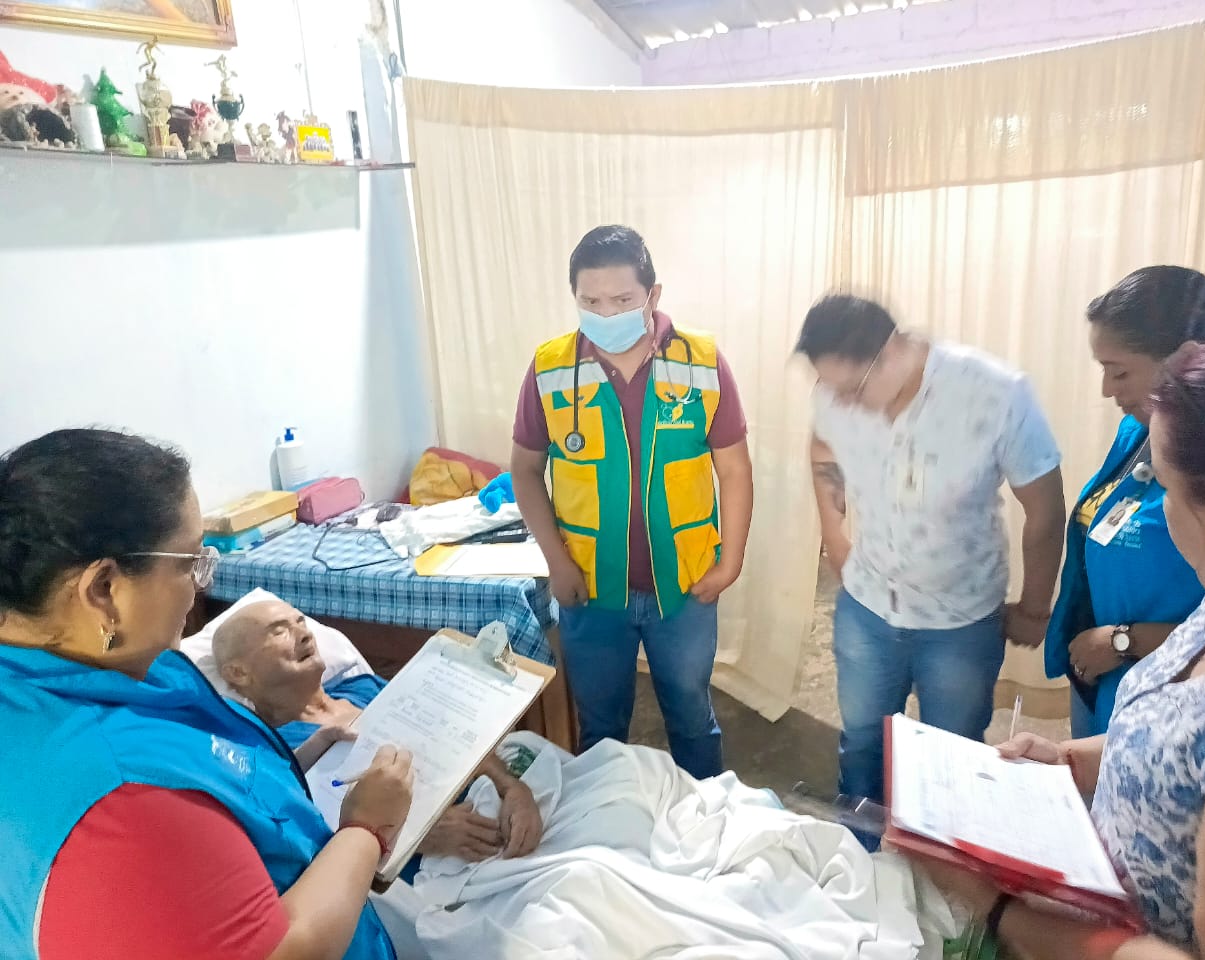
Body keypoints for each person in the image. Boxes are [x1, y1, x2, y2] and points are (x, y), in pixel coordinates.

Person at [910, 316, 1205, 960]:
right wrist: (1072, 761)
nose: (1160, 509)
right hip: (1095, 893)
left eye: (1166, 489)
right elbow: (1183, 738)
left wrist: (1000, 912)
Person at [0, 429, 413, 960]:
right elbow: (282, 950)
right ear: (104, 590)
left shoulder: (102, 670)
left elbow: (209, 776)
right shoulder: (124, 796)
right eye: (189, 563)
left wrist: (299, 758)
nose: (201, 586)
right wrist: (365, 829)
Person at [799, 294, 1065, 809]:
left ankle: (940, 857)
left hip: (959, 621)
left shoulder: (995, 393)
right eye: (831, 390)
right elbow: (822, 445)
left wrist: (1035, 608)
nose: (841, 403)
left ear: (890, 352)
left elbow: (1045, 508)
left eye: (852, 390)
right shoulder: (836, 393)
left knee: (953, 758)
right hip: (867, 606)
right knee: (863, 744)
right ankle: (862, 850)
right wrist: (834, 533)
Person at [510, 225, 753, 780]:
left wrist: (730, 561)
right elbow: (524, 470)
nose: (606, 313)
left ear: (652, 295)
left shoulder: (700, 361)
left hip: (686, 583)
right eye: (590, 301)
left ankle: (708, 816)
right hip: (591, 585)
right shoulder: (550, 368)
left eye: (622, 300)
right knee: (600, 725)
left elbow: (734, 469)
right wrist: (556, 562)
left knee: (691, 716)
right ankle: (604, 822)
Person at [1045, 266, 1205, 737]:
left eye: (1119, 371)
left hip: (1168, 686)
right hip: (1103, 671)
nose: (1106, 389)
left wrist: (1124, 641)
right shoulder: (1137, 432)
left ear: (1184, 360)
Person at [213, 599, 543, 862]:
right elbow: (309, 839)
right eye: (279, 631)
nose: (304, 634)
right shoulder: (275, 754)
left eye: (301, 622)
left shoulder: (364, 687)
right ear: (238, 673)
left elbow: (453, 732)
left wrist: (512, 788)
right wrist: (414, 837)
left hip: (500, 810)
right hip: (429, 867)